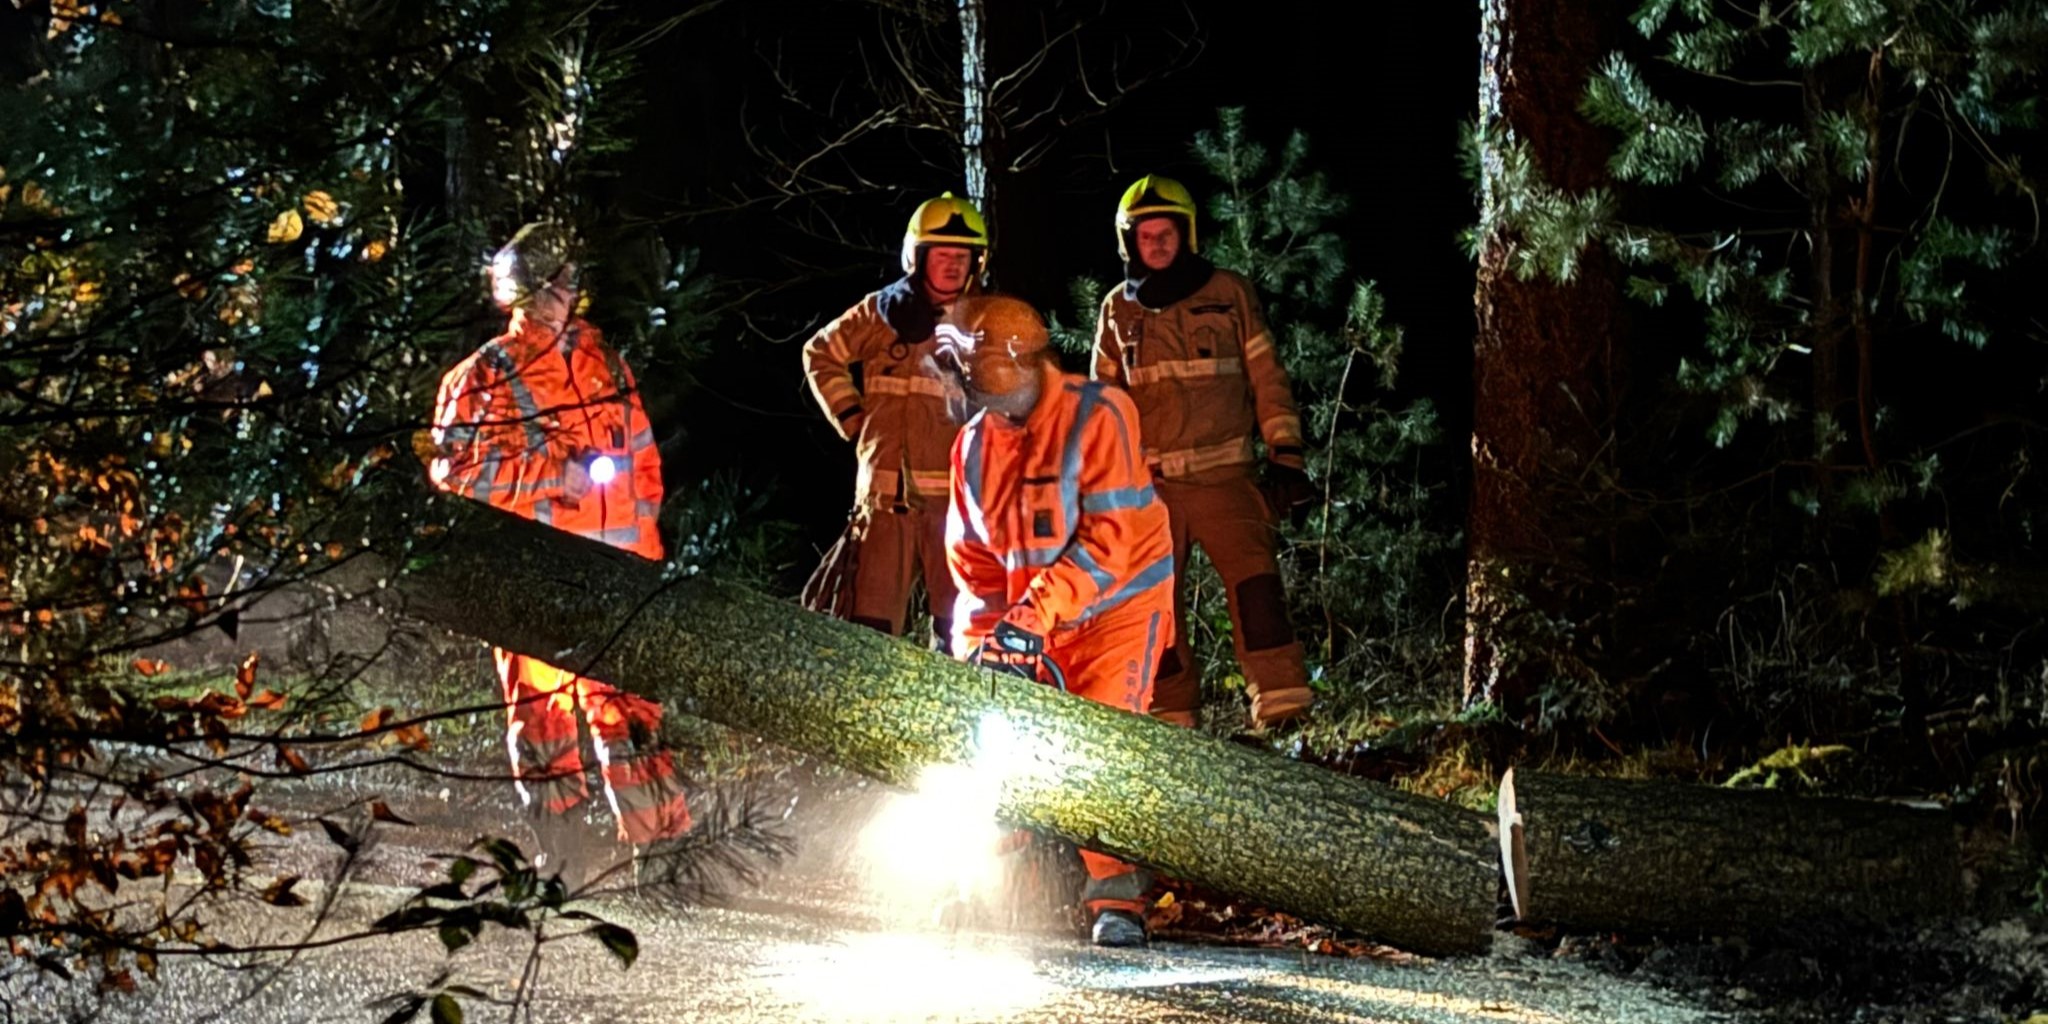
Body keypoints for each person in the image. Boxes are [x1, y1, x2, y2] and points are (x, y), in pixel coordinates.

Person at [429, 222, 692, 859]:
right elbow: (455, 472)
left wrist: (645, 555)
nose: (565, 293)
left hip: (617, 574)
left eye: (569, 281)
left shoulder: (606, 364)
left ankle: (659, 854)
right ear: (524, 291)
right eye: (554, 282)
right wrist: (552, 477)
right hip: (536, 576)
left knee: (630, 709)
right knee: (542, 715)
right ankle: (565, 852)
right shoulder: (483, 376)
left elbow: (644, 465)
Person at [935, 294, 1174, 948]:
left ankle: (1117, 901)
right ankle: (995, 891)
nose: (960, 380)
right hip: (1028, 619)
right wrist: (980, 651)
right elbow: (975, 569)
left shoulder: (1101, 416)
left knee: (1100, 746)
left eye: (971, 365)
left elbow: (1108, 545)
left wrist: (1030, 620)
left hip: (1116, 610)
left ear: (1015, 358)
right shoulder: (973, 449)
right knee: (994, 742)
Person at [1090, 174, 1316, 730]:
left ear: (1186, 234)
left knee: (1259, 594)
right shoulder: (1118, 311)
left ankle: (1284, 714)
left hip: (1227, 480)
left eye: (1167, 233)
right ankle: (1175, 725)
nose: (1159, 244)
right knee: (1154, 611)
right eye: (1147, 236)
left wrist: (1286, 456)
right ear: (1129, 242)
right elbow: (1101, 406)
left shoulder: (1229, 293)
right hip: (1150, 492)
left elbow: (1268, 378)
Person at [801, 192, 992, 649]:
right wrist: (853, 420)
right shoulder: (879, 313)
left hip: (955, 506)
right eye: (942, 255)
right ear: (917, 257)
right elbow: (820, 353)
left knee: (959, 629)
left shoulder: (984, 324)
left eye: (961, 257)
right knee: (870, 630)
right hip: (884, 503)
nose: (951, 266)